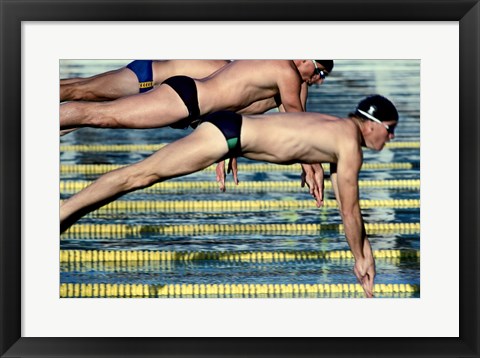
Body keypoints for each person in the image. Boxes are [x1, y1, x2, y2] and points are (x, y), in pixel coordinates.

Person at [60, 94, 399, 298]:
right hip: (227, 136)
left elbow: (347, 208)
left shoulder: (339, 132)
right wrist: (359, 258)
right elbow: (350, 214)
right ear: (371, 123)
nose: (392, 137)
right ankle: (63, 209)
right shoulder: (349, 146)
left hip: (230, 130)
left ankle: (65, 214)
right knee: (139, 175)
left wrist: (365, 256)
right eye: (390, 129)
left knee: (140, 177)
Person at [60, 60, 231, 102]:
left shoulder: (225, 65)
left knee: (79, 86)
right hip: (145, 80)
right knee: (78, 91)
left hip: (147, 70)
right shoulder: (225, 72)